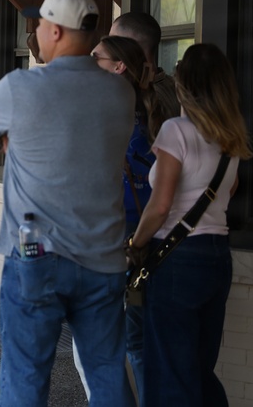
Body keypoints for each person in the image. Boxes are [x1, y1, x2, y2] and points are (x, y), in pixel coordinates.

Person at [0, 0, 135, 407]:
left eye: (41, 24)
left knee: (26, 375)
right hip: (103, 254)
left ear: (57, 31)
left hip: (35, 253)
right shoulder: (121, 92)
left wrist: (14, 138)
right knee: (107, 375)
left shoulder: (21, 86)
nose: (37, 31)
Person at [128, 43, 253, 407]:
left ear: (186, 85)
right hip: (217, 258)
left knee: (169, 372)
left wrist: (135, 245)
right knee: (198, 369)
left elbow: (161, 204)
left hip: (176, 260)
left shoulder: (176, 131)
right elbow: (228, 191)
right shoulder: (231, 137)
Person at [86, 35, 161, 402]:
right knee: (136, 340)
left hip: (114, 233)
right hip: (144, 230)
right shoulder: (149, 112)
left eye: (96, 58)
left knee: (104, 341)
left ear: (119, 67)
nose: (88, 61)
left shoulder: (106, 112)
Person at [110, 12, 179, 126]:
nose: (108, 48)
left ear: (129, 46)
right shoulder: (177, 90)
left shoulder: (135, 95)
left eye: (113, 43)